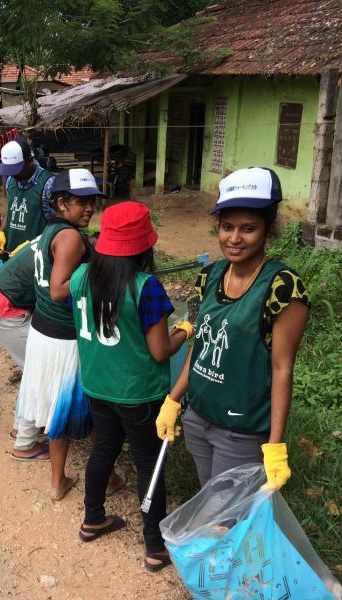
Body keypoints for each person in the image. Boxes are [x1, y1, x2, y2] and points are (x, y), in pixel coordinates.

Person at [156, 167, 310, 492]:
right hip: (198, 415)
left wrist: (275, 445)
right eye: (227, 227)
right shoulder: (209, 275)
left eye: (248, 228)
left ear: (268, 229)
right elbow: (200, 347)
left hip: (240, 427)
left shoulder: (282, 288)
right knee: (208, 495)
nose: (234, 238)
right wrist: (174, 400)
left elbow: (282, 368)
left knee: (227, 515)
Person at [70, 201, 194, 572]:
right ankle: (155, 547)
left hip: (96, 385)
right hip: (139, 392)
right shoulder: (147, 287)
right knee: (147, 462)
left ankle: (93, 518)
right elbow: (159, 352)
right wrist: (184, 331)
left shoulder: (79, 277)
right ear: (144, 246)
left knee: (104, 449)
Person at [15, 168, 98, 499]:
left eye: (92, 201)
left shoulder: (52, 230)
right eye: (82, 202)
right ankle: (101, 478)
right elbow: (60, 291)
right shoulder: (71, 238)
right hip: (64, 338)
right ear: (62, 203)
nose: (90, 208)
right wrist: (99, 273)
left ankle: (58, 481)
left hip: (42, 332)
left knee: (54, 407)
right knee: (75, 408)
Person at [0, 237, 50, 460]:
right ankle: (24, 444)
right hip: (3, 307)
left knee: (32, 368)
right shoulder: (71, 245)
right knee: (39, 372)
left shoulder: (48, 235)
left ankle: (21, 426)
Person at [0, 138, 55, 255]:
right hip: (10, 254)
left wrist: (36, 244)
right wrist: (1, 230)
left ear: (30, 161)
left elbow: (56, 224)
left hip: (35, 257)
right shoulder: (11, 181)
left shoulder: (48, 183)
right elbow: (12, 210)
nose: (13, 175)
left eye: (16, 170)